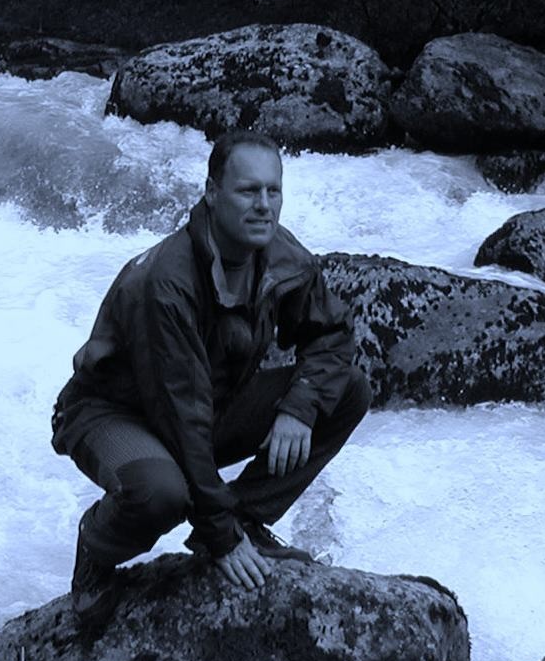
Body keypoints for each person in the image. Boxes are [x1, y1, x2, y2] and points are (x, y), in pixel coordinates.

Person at [50, 130, 371, 628]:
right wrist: (221, 538)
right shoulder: (166, 283)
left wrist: (299, 406)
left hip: (206, 403)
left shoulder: (283, 256)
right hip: (111, 413)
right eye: (248, 191)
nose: (264, 205)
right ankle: (96, 548)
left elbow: (331, 336)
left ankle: (246, 514)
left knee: (347, 388)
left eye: (273, 191)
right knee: (162, 494)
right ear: (212, 192)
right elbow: (181, 417)